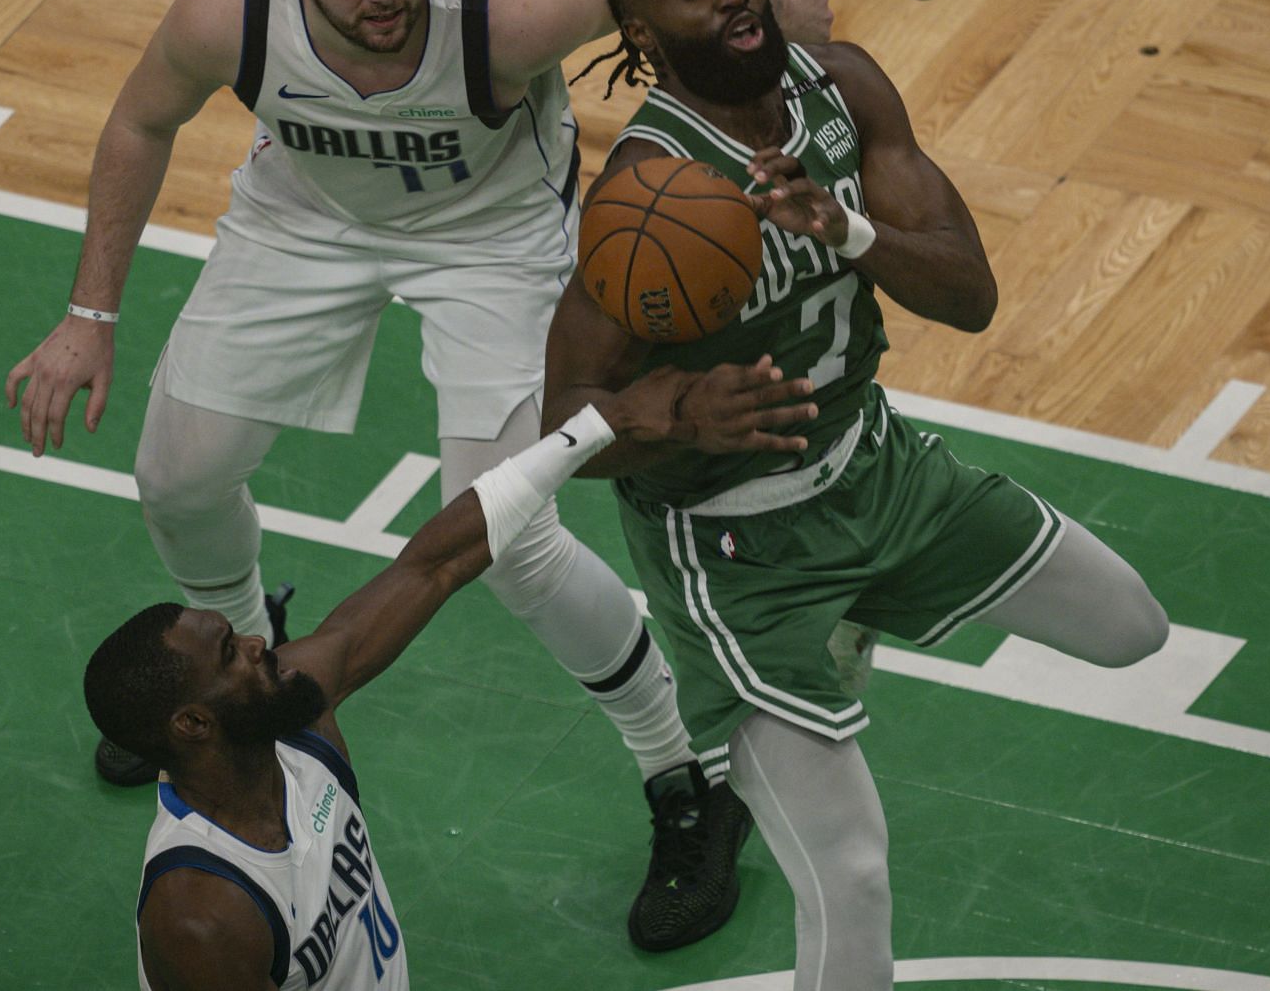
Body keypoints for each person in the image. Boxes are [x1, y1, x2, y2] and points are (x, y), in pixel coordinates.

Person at [6, 0, 838, 948]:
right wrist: (87, 318)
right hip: (304, 223)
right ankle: (261, 687)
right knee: (179, 474)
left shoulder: (501, 14)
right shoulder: (230, 9)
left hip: (492, 242)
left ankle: (686, 776)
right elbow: (141, 120)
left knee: (515, 540)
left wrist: (771, 12)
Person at [542, 0, 1172, 991]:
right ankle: (800, 667)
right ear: (643, 34)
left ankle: (857, 619)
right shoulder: (647, 197)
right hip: (741, 554)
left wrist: (850, 233)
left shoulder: (844, 87)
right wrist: (683, 415)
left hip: (879, 468)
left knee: (1132, 629)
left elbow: (971, 297)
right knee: (852, 871)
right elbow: (563, 427)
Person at [84, 374, 818, 990]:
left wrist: (601, 423)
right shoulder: (201, 914)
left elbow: (435, 561)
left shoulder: (298, 717)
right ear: (191, 725)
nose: (256, 639)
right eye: (229, 654)